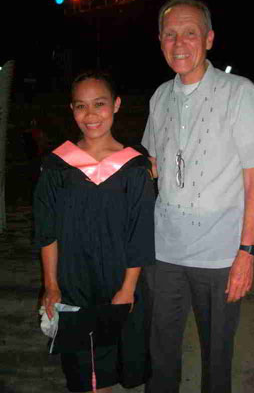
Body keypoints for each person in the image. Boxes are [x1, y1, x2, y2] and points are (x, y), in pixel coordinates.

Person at [142, 0, 254, 393]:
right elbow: (153, 167)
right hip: (163, 253)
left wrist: (247, 253)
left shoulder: (238, 93)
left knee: (217, 356)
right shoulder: (159, 97)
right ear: (160, 40)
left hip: (220, 256)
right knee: (161, 356)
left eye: (190, 33)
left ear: (209, 39)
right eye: (170, 35)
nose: (179, 43)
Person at [34, 71, 156, 393]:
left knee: (115, 363)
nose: (90, 115)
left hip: (120, 281)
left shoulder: (135, 167)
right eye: (81, 106)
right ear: (72, 109)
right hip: (74, 284)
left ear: (116, 105)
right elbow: (47, 231)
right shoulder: (57, 166)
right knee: (83, 374)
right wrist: (51, 284)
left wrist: (128, 288)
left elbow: (140, 232)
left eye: (99, 104)